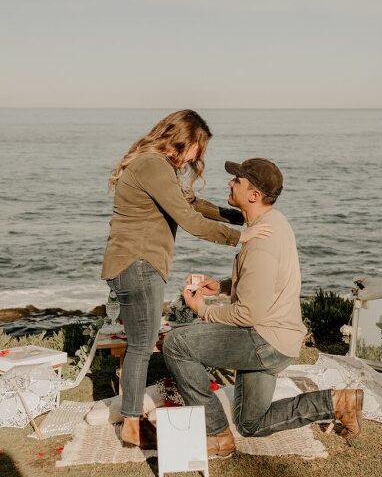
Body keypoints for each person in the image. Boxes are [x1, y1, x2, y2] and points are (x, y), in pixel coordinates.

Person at [162, 158, 364, 458]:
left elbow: (247, 314)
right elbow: (262, 283)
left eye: (237, 181)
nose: (230, 183)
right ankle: (337, 403)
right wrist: (222, 286)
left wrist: (202, 309)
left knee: (176, 344)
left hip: (263, 341)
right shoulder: (273, 222)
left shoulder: (261, 243)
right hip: (276, 337)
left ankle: (217, 434)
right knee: (250, 423)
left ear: (253, 195)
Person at [101, 110, 272, 448]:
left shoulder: (157, 167)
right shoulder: (153, 165)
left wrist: (242, 216)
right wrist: (239, 238)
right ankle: (132, 427)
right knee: (140, 346)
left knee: (140, 343)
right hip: (139, 263)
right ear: (184, 139)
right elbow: (189, 218)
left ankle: (132, 423)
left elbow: (192, 202)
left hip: (133, 263)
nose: (199, 156)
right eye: (198, 146)